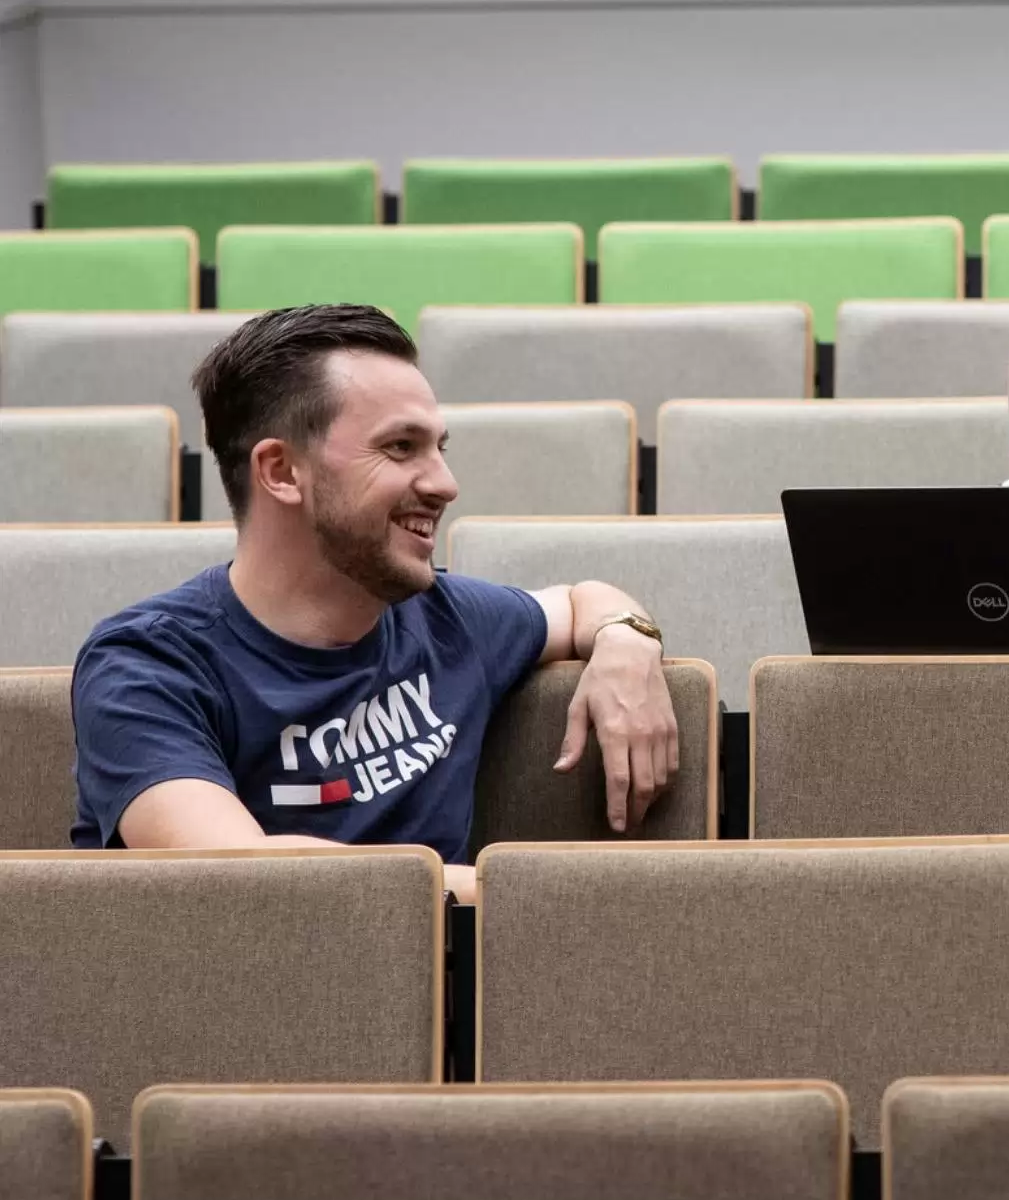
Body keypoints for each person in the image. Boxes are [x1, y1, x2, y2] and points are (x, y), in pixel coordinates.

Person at [70, 304, 682, 901]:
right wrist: (557, 894)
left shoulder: (449, 619)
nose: (445, 483)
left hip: (447, 994)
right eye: (400, 448)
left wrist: (626, 638)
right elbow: (238, 876)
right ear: (281, 471)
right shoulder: (145, 665)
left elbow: (580, 604)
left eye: (440, 447)